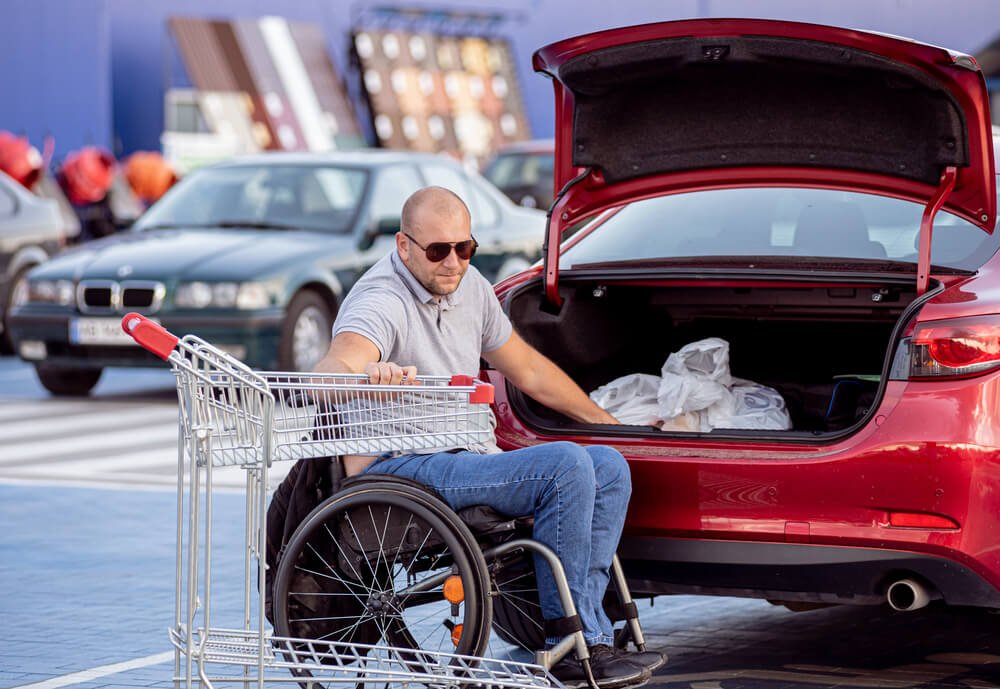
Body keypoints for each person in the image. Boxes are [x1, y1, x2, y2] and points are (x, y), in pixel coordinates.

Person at [313, 186, 665, 688]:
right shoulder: (380, 299)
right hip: (400, 465)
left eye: (464, 247)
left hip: (461, 454)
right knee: (563, 467)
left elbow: (529, 371)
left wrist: (607, 422)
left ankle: (593, 637)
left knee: (608, 465)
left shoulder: (469, 286)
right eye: (438, 250)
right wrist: (359, 375)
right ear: (403, 246)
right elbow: (339, 360)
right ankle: (567, 641)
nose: (453, 262)